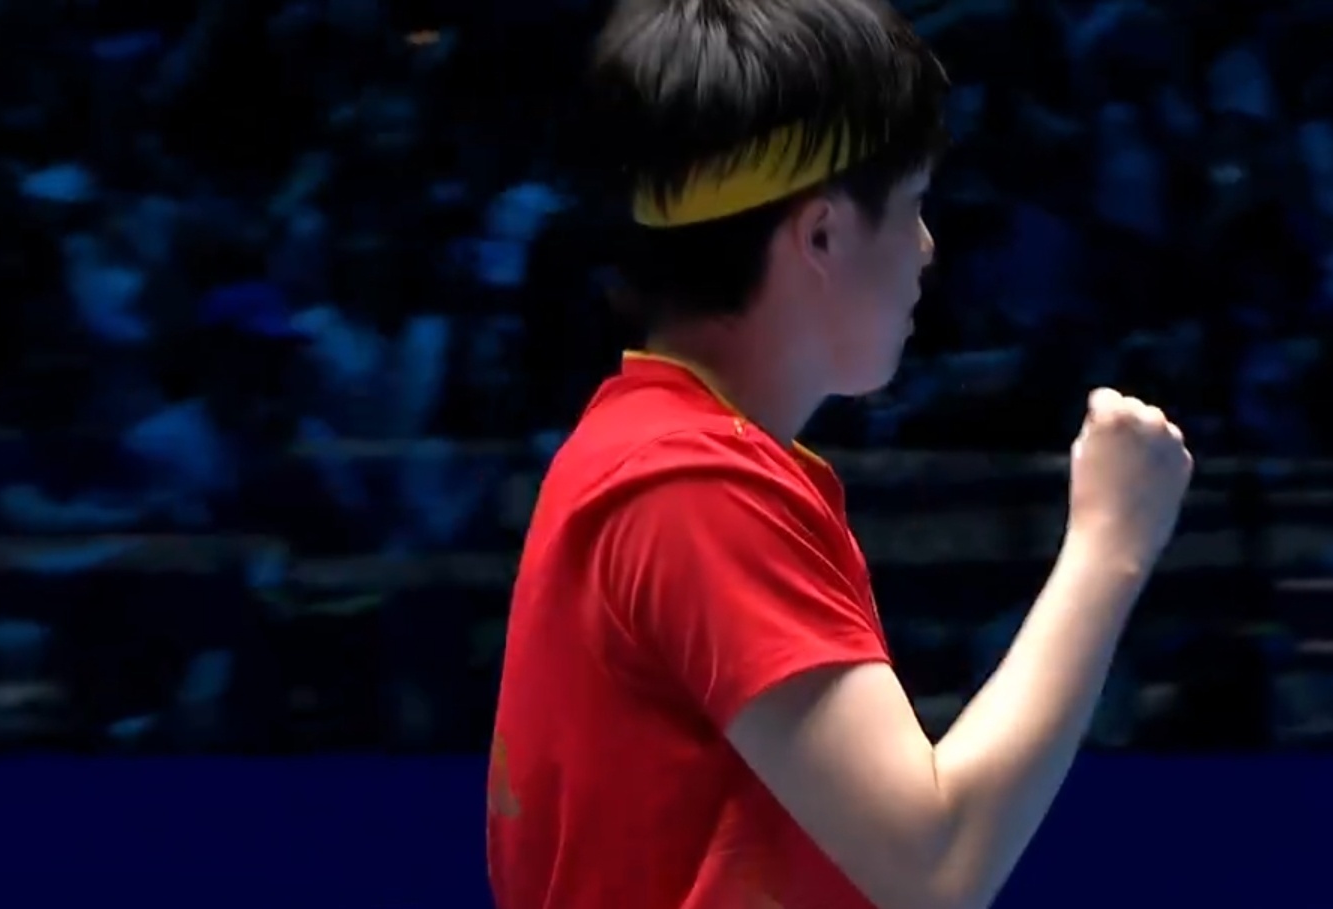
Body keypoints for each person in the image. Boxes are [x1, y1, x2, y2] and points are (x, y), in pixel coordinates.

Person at [487, 1, 1193, 908]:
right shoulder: (691, 488)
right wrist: (1110, 542)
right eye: (912, 206)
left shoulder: (655, 455)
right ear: (821, 235)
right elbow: (934, 869)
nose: (927, 250)